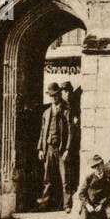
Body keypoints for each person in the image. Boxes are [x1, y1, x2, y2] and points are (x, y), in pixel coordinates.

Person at [37, 83, 72, 211]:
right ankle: (44, 203)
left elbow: (70, 131)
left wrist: (67, 149)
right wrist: (40, 148)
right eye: (51, 96)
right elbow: (42, 131)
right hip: (49, 148)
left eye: (56, 95)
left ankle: (67, 205)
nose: (54, 98)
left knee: (65, 179)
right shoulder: (46, 113)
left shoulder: (66, 111)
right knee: (47, 178)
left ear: (59, 95)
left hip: (61, 149)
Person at [60, 82, 80, 212]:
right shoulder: (61, 107)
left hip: (74, 146)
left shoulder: (75, 107)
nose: (66, 94)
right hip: (64, 145)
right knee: (65, 175)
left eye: (68, 91)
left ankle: (70, 203)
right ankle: (67, 203)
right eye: (64, 91)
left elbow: (74, 128)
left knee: (71, 174)